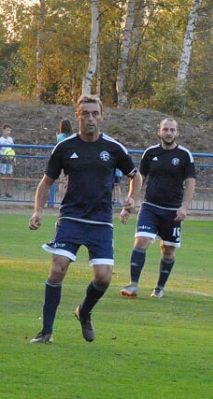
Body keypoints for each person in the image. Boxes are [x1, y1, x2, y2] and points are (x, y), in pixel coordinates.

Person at [28, 94, 141, 344]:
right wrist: (38, 211)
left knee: (104, 277)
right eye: (85, 113)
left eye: (95, 113)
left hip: (101, 222)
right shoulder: (65, 147)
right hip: (71, 218)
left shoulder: (113, 148)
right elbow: (46, 182)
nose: (90, 118)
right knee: (57, 268)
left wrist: (132, 199)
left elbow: (136, 175)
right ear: (77, 116)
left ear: (102, 117)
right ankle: (46, 331)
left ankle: (84, 312)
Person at [120, 118, 196, 299]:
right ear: (159, 132)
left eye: (172, 130)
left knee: (168, 250)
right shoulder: (150, 153)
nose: (168, 133)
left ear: (177, 133)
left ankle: (159, 287)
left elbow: (190, 183)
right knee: (141, 241)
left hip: (172, 211)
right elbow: (139, 179)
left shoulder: (185, 155)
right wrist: (130, 204)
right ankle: (133, 285)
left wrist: (184, 207)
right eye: (165, 129)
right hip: (150, 208)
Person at [55, 119, 73, 196]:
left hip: (62, 159)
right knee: (70, 179)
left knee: (62, 179)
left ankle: (62, 195)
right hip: (71, 159)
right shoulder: (72, 136)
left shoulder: (59, 136)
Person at [0, 124, 15, 199]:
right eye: (7, 130)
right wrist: (1, 157)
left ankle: (7, 192)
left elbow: (12, 149)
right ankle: (1, 192)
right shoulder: (0, 140)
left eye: (10, 131)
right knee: (2, 176)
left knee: (10, 176)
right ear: (3, 130)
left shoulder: (10, 140)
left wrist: (13, 158)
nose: (8, 132)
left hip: (9, 160)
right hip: (2, 160)